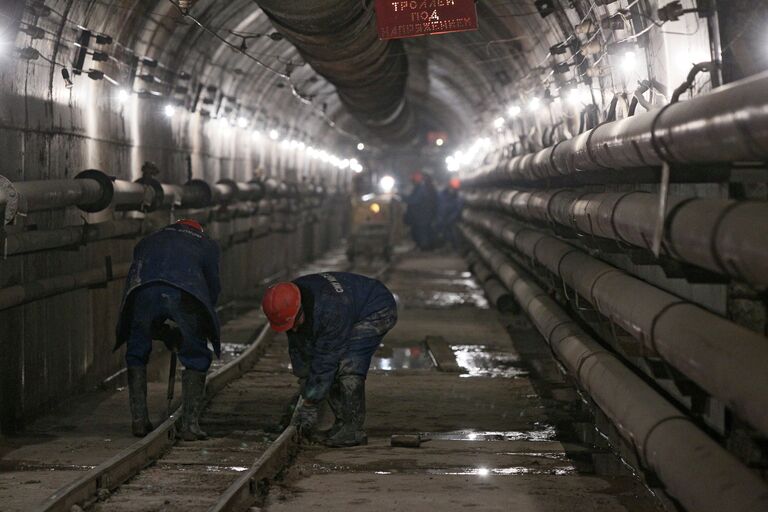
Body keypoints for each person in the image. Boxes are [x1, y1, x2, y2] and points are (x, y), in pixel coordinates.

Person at [262, 272, 398, 447]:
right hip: (347, 306)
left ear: (300, 309)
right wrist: (304, 377)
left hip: (376, 309)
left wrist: (310, 402)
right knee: (322, 369)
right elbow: (299, 346)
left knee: (348, 364)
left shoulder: (330, 311)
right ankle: (341, 424)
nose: (293, 329)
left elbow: (326, 360)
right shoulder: (290, 300)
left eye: (295, 323)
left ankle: (353, 430)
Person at [115, 219, 221, 440]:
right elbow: (212, 288)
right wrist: (196, 325)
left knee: (137, 349)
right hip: (184, 293)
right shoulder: (206, 245)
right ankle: (190, 425)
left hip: (142, 291)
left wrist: (162, 331)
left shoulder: (149, 240)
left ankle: (139, 421)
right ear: (197, 230)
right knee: (195, 353)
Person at [403, 171, 438, 250]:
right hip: (420, 214)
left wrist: (404, 198)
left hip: (422, 214)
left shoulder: (421, 189)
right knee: (419, 230)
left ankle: (425, 246)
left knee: (422, 231)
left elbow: (415, 200)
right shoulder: (419, 188)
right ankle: (423, 245)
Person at [436, 178, 464, 250]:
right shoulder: (441, 194)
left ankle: (456, 247)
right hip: (443, 217)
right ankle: (447, 245)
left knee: (453, 232)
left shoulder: (459, 197)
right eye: (451, 188)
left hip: (452, 219)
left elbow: (458, 209)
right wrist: (440, 217)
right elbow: (439, 206)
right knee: (443, 232)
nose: (452, 190)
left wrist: (451, 218)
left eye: (454, 189)